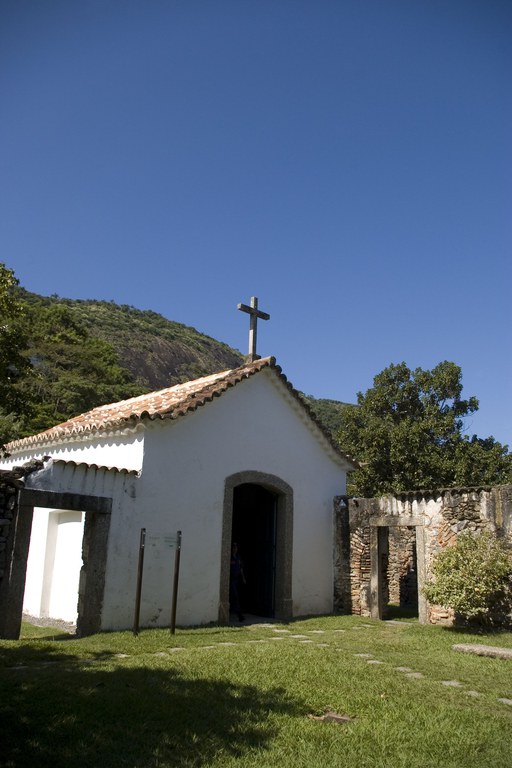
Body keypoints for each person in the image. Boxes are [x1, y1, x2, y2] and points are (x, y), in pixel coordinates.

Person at [229, 542, 246, 622]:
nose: (234, 549)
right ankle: (239, 615)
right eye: (233, 548)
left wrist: (243, 578)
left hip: (237, 579)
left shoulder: (238, 558)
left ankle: (236, 611)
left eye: (235, 548)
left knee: (236, 596)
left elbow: (241, 568)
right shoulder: (230, 557)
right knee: (235, 596)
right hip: (231, 579)